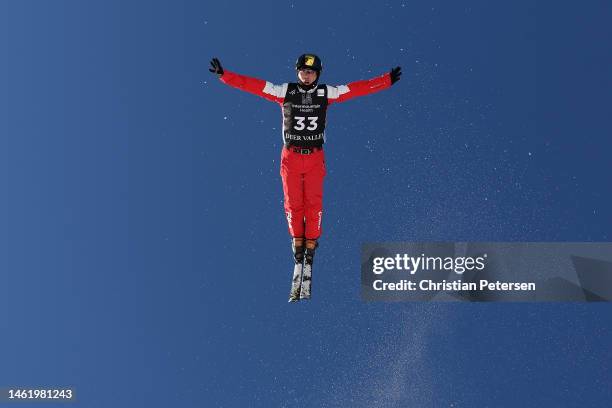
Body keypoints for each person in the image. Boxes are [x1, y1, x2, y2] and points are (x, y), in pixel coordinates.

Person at [209, 54, 401, 272]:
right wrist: (226, 76)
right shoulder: (285, 91)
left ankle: (311, 242)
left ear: (317, 74)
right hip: (290, 157)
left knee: (313, 202)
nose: (307, 76)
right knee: (293, 202)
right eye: (303, 71)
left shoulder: (327, 93)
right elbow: (255, 86)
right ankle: (297, 241)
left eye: (311, 72)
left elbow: (357, 89)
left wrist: (385, 81)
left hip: (314, 157)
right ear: (297, 72)